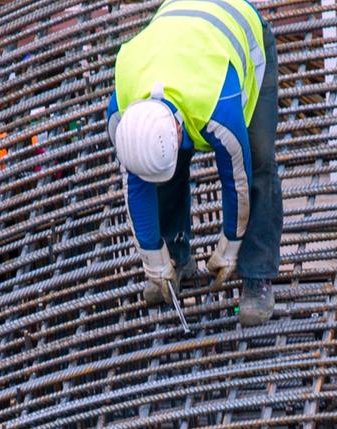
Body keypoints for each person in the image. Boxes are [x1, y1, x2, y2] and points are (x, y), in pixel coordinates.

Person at [106, 0, 282, 327]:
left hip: (240, 35)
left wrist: (229, 249)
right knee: (160, 172)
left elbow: (237, 182)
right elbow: (136, 186)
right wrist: (153, 261)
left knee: (258, 161)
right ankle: (175, 259)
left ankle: (257, 276)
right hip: (178, 37)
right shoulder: (122, 114)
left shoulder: (218, 106)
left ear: (178, 129)